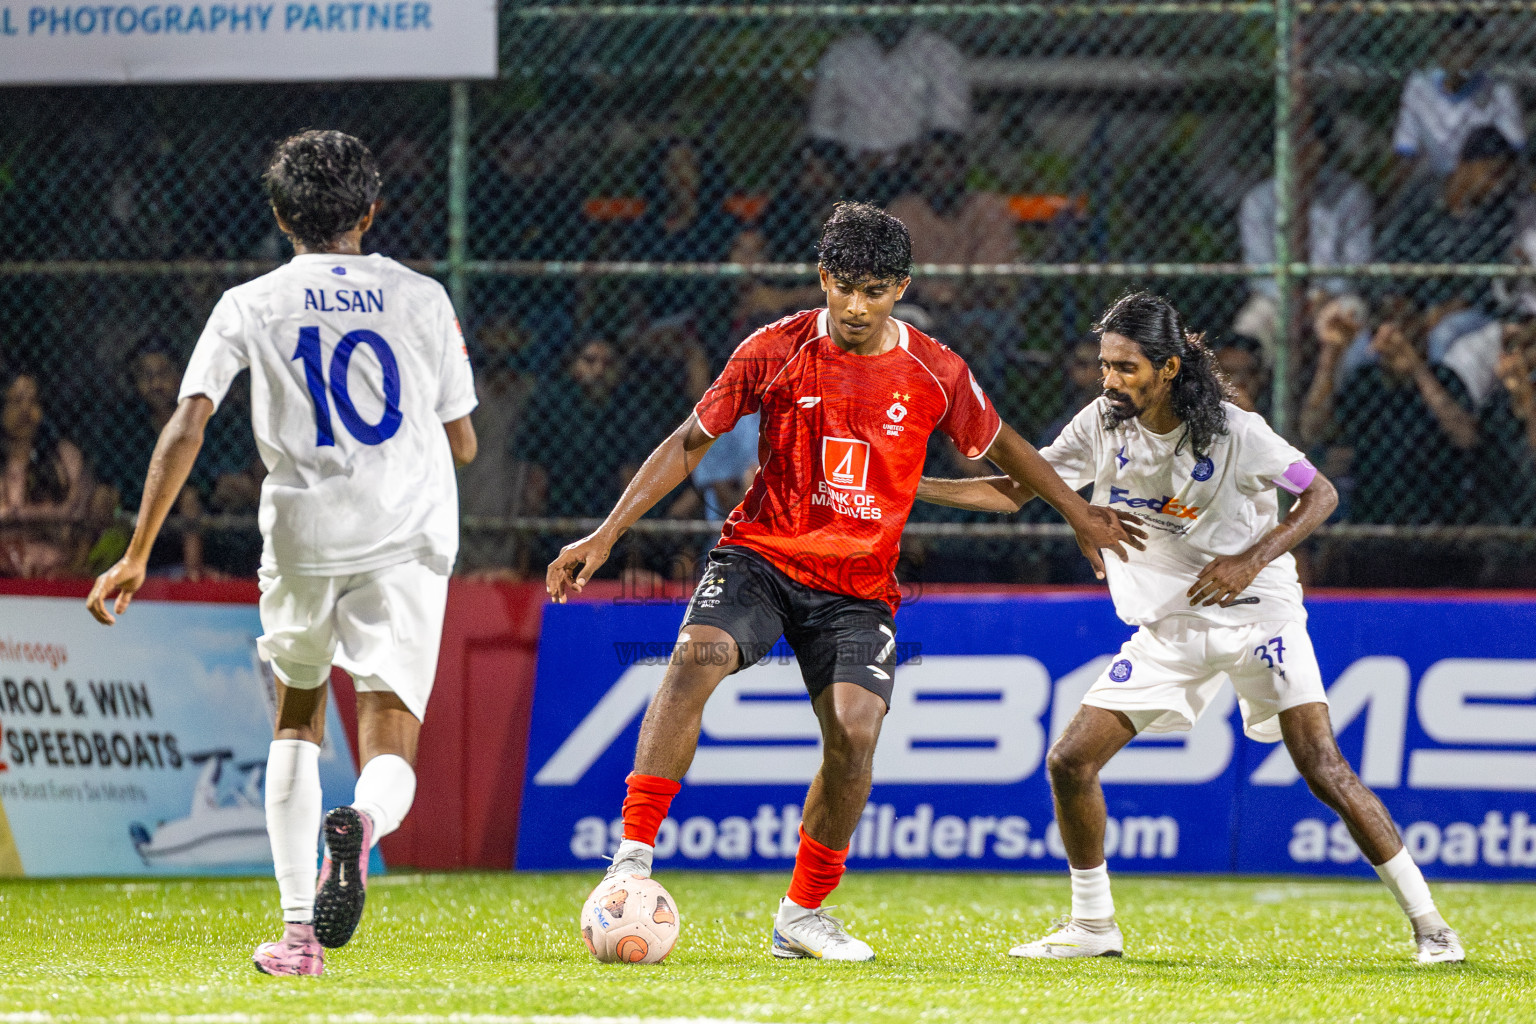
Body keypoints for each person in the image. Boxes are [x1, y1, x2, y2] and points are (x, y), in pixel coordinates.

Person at [545, 202, 1137, 962]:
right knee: (696, 660)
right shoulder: (774, 348)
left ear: (901, 288)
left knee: (855, 735)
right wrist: (606, 533)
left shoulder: (935, 369)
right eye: (845, 286)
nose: (857, 306)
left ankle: (802, 914)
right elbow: (690, 442)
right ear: (824, 277)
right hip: (760, 557)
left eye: (877, 289)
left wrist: (1077, 513)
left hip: (858, 588)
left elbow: (1006, 448)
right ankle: (631, 860)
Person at [917, 291, 1464, 965]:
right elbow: (1014, 490)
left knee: (1324, 768)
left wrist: (1249, 559)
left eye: (1125, 367)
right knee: (1069, 761)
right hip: (1172, 627)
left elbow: (1320, 492)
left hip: (1259, 613)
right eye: (1104, 364)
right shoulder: (1101, 424)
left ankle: (1433, 927)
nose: (1108, 379)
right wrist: (908, 482)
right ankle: (1093, 927)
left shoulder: (1237, 430)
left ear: (1169, 367)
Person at [86, 130, 478, 977]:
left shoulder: (248, 302)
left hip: (302, 535)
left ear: (279, 216)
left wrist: (137, 552)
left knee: (296, 717)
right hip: (404, 535)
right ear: (371, 211)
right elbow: (466, 441)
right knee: (389, 736)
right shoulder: (420, 296)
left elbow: (187, 424)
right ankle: (363, 826)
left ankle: (299, 936)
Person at [1234, 109, 1372, 356]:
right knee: (1252, 323)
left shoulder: (1350, 195)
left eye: (1312, 143)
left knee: (1352, 317)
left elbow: (1356, 264)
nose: (1310, 152)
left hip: (1333, 296)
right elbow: (1259, 270)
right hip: (1277, 299)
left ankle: (1340, 393)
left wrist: (1321, 296)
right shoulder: (1259, 201)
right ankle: (1260, 392)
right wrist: (1295, 300)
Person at [808, 20, 968, 203]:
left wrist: (903, 157)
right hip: (849, 171)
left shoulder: (938, 53)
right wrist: (850, 164)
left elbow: (948, 127)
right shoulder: (841, 55)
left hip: (913, 171)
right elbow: (822, 129)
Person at [1393, 13, 1525, 182]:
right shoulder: (1419, 84)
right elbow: (1405, 148)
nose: (1461, 53)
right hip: (1435, 181)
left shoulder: (1498, 86)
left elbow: (1516, 147)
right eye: (1450, 44)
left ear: (1480, 48)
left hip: (1484, 179)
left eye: (1468, 43)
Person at [1, 370, 95, 577]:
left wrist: (17, 519)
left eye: (33, 402)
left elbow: (75, 515)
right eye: (16, 401)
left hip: (55, 569)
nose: (25, 411)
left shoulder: (64, 457)